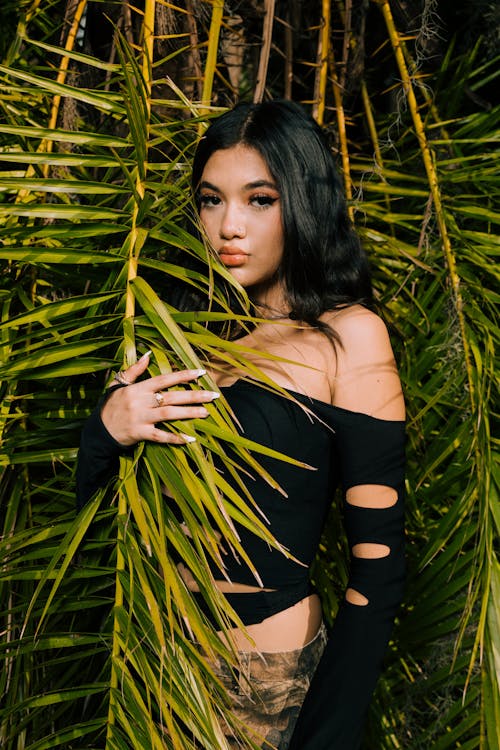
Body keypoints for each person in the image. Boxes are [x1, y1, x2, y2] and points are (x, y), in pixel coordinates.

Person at [76, 100, 406, 749]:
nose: (229, 226)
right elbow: (105, 533)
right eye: (210, 199)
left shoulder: (349, 337)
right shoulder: (189, 338)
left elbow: (381, 571)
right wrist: (105, 432)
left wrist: (326, 736)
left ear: (303, 204)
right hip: (155, 671)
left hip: (266, 689)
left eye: (259, 200)